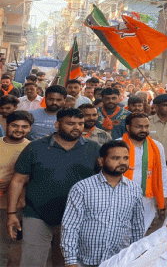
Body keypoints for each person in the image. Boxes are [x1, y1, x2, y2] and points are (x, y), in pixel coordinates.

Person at [7, 108, 101, 267]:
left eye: (80, 123)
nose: (76, 127)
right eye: (70, 123)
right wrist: (11, 213)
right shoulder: (36, 147)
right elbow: (18, 180)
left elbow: (103, 180)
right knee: (32, 262)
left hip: (77, 217)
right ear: (57, 124)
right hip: (37, 213)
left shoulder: (94, 149)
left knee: (67, 262)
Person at [61, 140, 145, 266]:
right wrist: (70, 260)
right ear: (101, 161)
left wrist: (136, 257)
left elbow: (137, 227)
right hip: (85, 261)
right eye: (115, 158)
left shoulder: (134, 189)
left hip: (119, 261)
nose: (122, 162)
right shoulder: (82, 188)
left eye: (125, 158)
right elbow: (70, 226)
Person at [121, 113, 167, 232]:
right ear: (128, 127)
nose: (143, 130)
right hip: (121, 196)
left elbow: (162, 171)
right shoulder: (118, 145)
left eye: (146, 126)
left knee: (142, 231)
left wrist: (164, 194)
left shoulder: (157, 146)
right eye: (139, 127)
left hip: (147, 198)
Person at [0, 111, 33, 266]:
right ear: (6, 125)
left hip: (16, 208)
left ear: (30, 129)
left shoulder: (33, 149)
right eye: (15, 125)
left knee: (13, 245)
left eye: (24, 127)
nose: (19, 129)